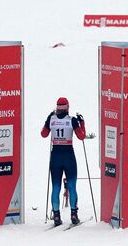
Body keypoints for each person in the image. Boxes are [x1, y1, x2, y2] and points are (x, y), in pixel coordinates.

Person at [41, 97, 86, 226]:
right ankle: (73, 214)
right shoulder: (72, 120)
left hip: (55, 156)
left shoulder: (52, 119)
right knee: (72, 186)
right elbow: (81, 136)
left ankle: (56, 215)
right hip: (68, 156)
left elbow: (44, 134)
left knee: (56, 187)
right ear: (67, 108)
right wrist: (82, 122)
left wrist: (47, 121)